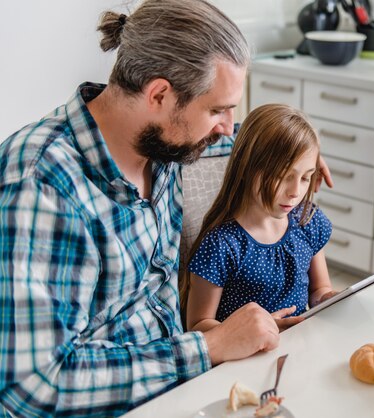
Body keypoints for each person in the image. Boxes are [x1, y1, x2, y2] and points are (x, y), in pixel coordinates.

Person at [0, 1, 332, 417]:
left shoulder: (164, 143)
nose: (228, 126)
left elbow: (238, 138)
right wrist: (208, 345)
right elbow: (34, 385)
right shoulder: (42, 186)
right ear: (159, 94)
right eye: (217, 110)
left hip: (183, 392)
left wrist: (293, 156)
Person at [183, 104, 337, 333]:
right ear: (247, 168)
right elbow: (198, 326)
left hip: (299, 346)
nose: (295, 191)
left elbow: (319, 290)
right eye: (283, 176)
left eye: (305, 177)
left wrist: (332, 299)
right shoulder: (222, 244)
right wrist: (253, 330)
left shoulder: (307, 221)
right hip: (245, 358)